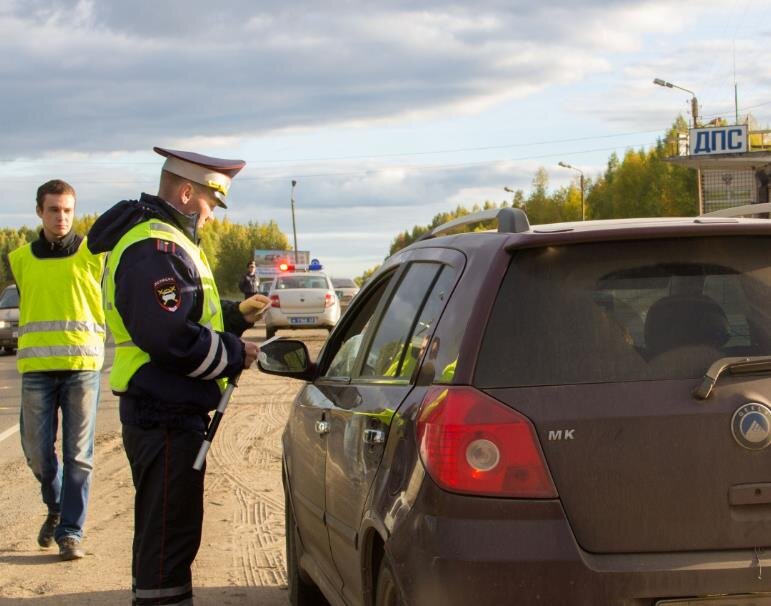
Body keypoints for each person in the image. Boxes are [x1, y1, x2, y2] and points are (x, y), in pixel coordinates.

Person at [87, 147, 270, 605]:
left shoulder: (168, 242)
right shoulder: (156, 246)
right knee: (167, 539)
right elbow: (168, 337)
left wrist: (234, 316)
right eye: (211, 203)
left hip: (167, 410)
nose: (211, 216)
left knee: (170, 533)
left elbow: (185, 318)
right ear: (187, 193)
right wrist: (232, 353)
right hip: (163, 412)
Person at [8, 179, 106, 561]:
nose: (61, 217)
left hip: (82, 367)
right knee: (36, 453)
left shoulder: (93, 254)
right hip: (36, 370)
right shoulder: (19, 259)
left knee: (78, 454)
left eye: (67, 210)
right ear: (39, 212)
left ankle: (70, 531)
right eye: (53, 209)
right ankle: (56, 505)